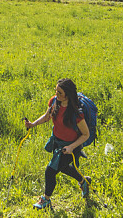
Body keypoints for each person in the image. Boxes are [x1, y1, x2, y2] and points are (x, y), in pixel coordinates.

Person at [23, 77, 91, 209]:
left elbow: (85, 134)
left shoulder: (76, 113)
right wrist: (32, 124)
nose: (57, 95)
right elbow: (47, 116)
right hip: (57, 143)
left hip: (69, 147)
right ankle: (84, 181)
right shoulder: (55, 102)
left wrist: (71, 147)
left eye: (60, 93)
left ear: (68, 95)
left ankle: (46, 200)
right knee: (64, 168)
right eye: (56, 91)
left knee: (50, 171)